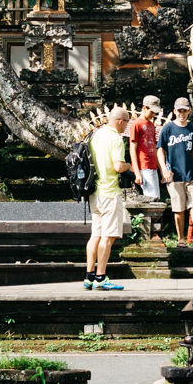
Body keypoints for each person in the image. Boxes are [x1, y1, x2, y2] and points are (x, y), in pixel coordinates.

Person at [84, 105, 132, 291]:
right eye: (126, 122)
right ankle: (101, 277)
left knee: (95, 234)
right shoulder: (115, 139)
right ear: (121, 121)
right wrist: (130, 166)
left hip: (94, 193)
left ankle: (89, 276)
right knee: (108, 236)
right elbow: (118, 166)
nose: (126, 126)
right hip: (110, 192)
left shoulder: (96, 135)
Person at [158, 97, 193, 247]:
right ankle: (181, 239)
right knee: (178, 208)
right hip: (175, 175)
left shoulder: (192, 129)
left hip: (191, 173)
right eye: (179, 110)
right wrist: (164, 170)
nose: (182, 113)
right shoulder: (168, 128)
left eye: (185, 111)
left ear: (189, 112)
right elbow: (160, 150)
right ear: (174, 111)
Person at [132, 96, 163, 202]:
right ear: (144, 108)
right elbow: (133, 149)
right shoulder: (136, 124)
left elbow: (154, 148)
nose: (154, 115)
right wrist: (137, 172)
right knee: (151, 199)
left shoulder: (151, 125)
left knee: (156, 198)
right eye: (152, 112)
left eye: (155, 113)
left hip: (153, 165)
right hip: (143, 165)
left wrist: (161, 169)